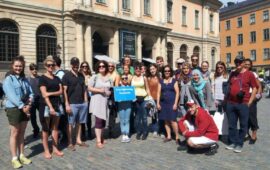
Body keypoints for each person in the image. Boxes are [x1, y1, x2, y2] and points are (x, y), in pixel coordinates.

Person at [3, 56, 33, 169]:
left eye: (20, 66)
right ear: (12, 66)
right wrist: (23, 107)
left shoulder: (25, 79)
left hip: (25, 107)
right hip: (14, 109)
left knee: (22, 132)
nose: (18, 68)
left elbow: (31, 92)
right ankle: (14, 158)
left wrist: (30, 102)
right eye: (16, 66)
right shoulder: (8, 80)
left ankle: (21, 155)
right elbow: (11, 96)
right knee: (14, 133)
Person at [225, 56, 258, 153]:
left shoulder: (249, 74)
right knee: (232, 125)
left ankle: (239, 143)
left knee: (243, 125)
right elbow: (229, 86)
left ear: (243, 63)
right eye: (236, 62)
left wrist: (250, 102)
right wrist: (226, 100)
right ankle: (232, 142)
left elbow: (255, 88)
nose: (238, 64)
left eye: (240, 62)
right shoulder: (232, 73)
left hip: (243, 104)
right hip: (231, 103)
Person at [39, 56, 64, 159]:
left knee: (55, 128)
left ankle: (55, 148)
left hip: (57, 104)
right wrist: (51, 107)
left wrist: (50, 93)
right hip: (46, 106)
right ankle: (46, 150)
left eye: (52, 65)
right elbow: (44, 95)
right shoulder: (42, 78)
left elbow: (61, 91)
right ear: (45, 66)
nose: (51, 67)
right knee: (45, 129)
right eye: (49, 65)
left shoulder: (57, 78)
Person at [62, 57, 89, 151]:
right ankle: (70, 142)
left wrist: (86, 101)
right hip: (72, 103)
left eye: (77, 64)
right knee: (70, 123)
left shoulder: (81, 75)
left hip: (82, 103)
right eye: (74, 64)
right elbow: (64, 91)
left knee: (79, 123)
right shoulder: (66, 76)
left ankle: (78, 140)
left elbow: (84, 88)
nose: (75, 66)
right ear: (71, 65)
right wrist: (66, 104)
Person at [88, 60, 113, 148]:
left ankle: (101, 137)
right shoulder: (94, 77)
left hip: (105, 101)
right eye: (100, 66)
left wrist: (109, 92)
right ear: (97, 67)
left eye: (103, 66)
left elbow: (110, 88)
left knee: (103, 120)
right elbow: (89, 88)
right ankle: (98, 141)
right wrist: (99, 90)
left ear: (106, 67)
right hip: (97, 100)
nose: (101, 67)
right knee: (98, 120)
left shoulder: (109, 78)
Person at [158, 65, 180, 144]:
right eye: (165, 71)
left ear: (170, 72)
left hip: (171, 103)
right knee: (166, 120)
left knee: (173, 121)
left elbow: (177, 93)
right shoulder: (161, 81)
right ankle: (169, 136)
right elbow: (158, 93)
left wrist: (175, 103)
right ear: (163, 72)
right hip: (163, 103)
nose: (167, 72)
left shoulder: (174, 81)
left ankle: (177, 137)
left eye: (168, 71)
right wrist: (158, 103)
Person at [244, 58, 262, 144]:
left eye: (248, 64)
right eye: (245, 64)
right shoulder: (242, 73)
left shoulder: (253, 74)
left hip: (252, 97)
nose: (247, 65)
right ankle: (246, 134)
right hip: (244, 98)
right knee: (244, 116)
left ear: (251, 65)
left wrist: (257, 96)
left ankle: (254, 133)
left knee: (252, 116)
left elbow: (259, 86)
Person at [131, 62, 151, 140]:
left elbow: (147, 88)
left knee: (144, 117)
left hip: (144, 98)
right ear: (134, 70)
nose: (138, 70)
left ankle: (145, 132)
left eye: (139, 69)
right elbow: (130, 89)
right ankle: (139, 131)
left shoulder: (144, 78)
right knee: (137, 117)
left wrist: (149, 98)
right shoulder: (132, 78)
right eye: (136, 69)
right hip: (135, 100)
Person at [115, 68, 133, 142]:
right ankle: (123, 134)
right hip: (121, 106)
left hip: (128, 105)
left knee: (127, 120)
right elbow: (117, 98)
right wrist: (119, 98)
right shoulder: (118, 88)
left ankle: (127, 133)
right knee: (122, 120)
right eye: (123, 78)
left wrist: (133, 97)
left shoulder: (130, 88)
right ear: (121, 80)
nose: (125, 79)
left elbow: (133, 99)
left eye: (126, 78)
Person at [53, 56, 68, 144]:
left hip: (60, 99)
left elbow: (62, 88)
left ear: (55, 64)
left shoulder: (60, 74)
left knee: (61, 118)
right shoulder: (57, 73)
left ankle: (62, 136)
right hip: (58, 99)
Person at [146, 64, 161, 137]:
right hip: (152, 98)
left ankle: (161, 130)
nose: (152, 70)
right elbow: (147, 88)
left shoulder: (160, 77)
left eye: (153, 69)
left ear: (156, 69)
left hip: (160, 98)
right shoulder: (148, 78)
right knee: (154, 115)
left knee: (161, 115)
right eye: (150, 69)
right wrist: (150, 97)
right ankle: (155, 129)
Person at [79, 61, 92, 140]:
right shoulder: (79, 76)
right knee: (82, 115)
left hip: (89, 97)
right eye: (83, 66)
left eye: (86, 66)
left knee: (88, 116)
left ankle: (89, 132)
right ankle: (83, 133)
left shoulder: (90, 76)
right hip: (80, 97)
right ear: (81, 67)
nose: (84, 68)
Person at [27, 63, 40, 138]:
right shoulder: (28, 79)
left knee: (43, 116)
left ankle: (46, 130)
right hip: (31, 101)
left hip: (40, 100)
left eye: (35, 69)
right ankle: (36, 129)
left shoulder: (40, 78)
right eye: (32, 69)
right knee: (33, 118)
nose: (34, 70)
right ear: (30, 70)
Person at [107, 61, 119, 138]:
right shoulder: (104, 74)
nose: (110, 67)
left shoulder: (116, 75)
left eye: (112, 66)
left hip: (112, 94)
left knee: (112, 113)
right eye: (109, 66)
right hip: (104, 93)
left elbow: (116, 86)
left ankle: (111, 129)